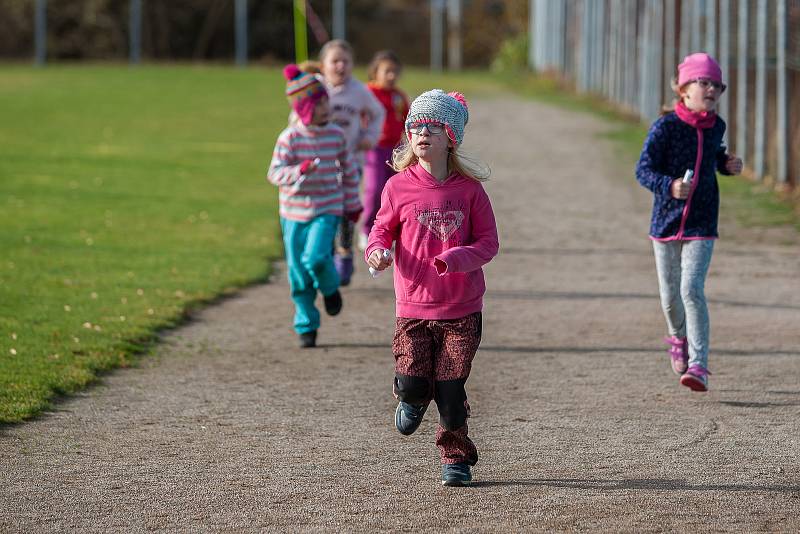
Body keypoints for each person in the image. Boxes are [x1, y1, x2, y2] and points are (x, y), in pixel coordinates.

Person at [365, 89, 499, 486]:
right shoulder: (397, 187)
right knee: (414, 381)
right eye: (416, 126)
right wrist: (375, 251)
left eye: (433, 127)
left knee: (451, 390)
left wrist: (457, 258)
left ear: (450, 138)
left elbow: (489, 243)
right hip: (413, 307)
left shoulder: (470, 191)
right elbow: (380, 230)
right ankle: (410, 394)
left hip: (461, 309)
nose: (422, 132)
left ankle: (455, 457)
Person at [636, 52, 743, 392]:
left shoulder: (717, 126)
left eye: (717, 85)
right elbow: (643, 170)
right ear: (683, 89)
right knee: (670, 297)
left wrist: (726, 165)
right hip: (666, 223)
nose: (711, 89)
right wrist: (669, 186)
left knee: (691, 290)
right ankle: (677, 337)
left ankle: (698, 364)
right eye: (704, 82)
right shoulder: (665, 127)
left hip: (702, 223)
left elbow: (715, 156)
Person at [267, 64, 362, 348]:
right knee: (297, 273)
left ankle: (331, 289)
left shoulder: (336, 135)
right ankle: (306, 323)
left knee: (316, 258)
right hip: (293, 214)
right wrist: (299, 171)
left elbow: (349, 171)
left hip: (327, 208)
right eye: (319, 102)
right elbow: (274, 173)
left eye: (325, 100)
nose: (326, 106)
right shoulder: (290, 138)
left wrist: (352, 204)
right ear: (304, 107)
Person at [319, 39, 386, 286]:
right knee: (325, 209)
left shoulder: (359, 91)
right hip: (321, 163)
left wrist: (370, 137)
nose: (340, 66)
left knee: (347, 208)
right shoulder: (316, 89)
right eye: (334, 61)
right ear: (323, 65)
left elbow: (379, 113)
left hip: (350, 161)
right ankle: (326, 254)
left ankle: (345, 255)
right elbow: (297, 113)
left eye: (345, 61)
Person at [359, 50, 410, 251]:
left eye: (395, 71)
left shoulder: (398, 96)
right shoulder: (367, 93)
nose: (391, 75)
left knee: (397, 193)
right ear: (375, 72)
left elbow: (407, 120)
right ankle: (366, 231)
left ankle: (391, 233)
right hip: (374, 149)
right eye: (387, 71)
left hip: (396, 151)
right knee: (374, 191)